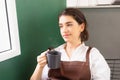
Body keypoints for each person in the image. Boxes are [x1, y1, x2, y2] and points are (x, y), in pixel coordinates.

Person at [30, 8, 110, 80]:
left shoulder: (92, 54)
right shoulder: (54, 53)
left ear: (81, 27)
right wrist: (39, 66)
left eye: (69, 25)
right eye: (61, 26)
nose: (64, 30)